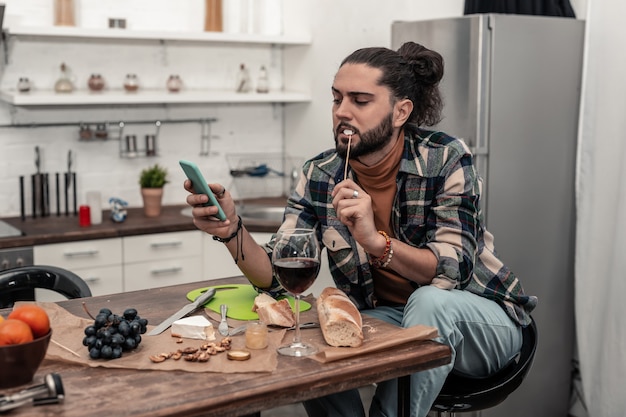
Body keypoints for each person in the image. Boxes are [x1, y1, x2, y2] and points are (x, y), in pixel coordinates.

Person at [184, 41, 538, 417]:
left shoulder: (446, 158)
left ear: (401, 111)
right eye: (337, 99)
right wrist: (230, 229)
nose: (342, 112)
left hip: (482, 321)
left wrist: (373, 240)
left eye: (360, 100)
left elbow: (453, 270)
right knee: (312, 330)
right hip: (389, 318)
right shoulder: (319, 175)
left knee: (429, 302)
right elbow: (276, 275)